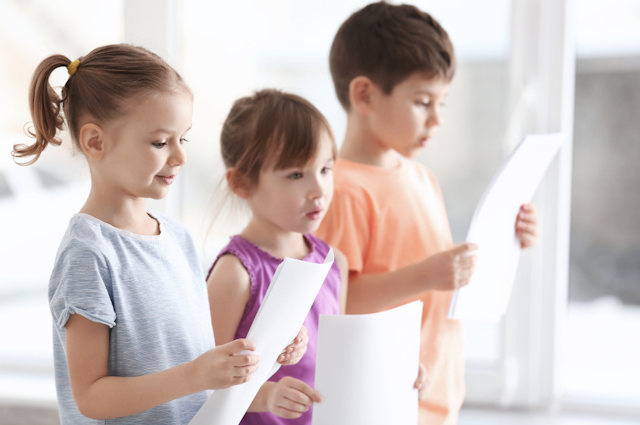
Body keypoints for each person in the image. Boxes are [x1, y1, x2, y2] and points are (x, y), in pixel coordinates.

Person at [12, 45, 306, 424]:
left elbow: (197, 371)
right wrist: (198, 373)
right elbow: (91, 396)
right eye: (160, 142)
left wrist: (266, 381)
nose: (180, 156)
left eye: (183, 138)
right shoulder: (88, 254)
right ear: (95, 142)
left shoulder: (178, 239)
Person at [315, 3, 541, 424]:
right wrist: (430, 274)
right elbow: (334, 305)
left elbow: (436, 281)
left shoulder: (422, 178)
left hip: (437, 396)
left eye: (443, 102)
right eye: (422, 101)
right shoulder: (341, 191)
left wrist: (506, 241)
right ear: (364, 94)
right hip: (378, 404)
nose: (437, 119)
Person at [206, 89, 429, 424]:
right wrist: (266, 396)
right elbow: (203, 382)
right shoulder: (234, 274)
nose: (319, 189)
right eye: (296, 174)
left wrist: (396, 372)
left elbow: (336, 362)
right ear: (241, 183)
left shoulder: (332, 261)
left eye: (325, 169)